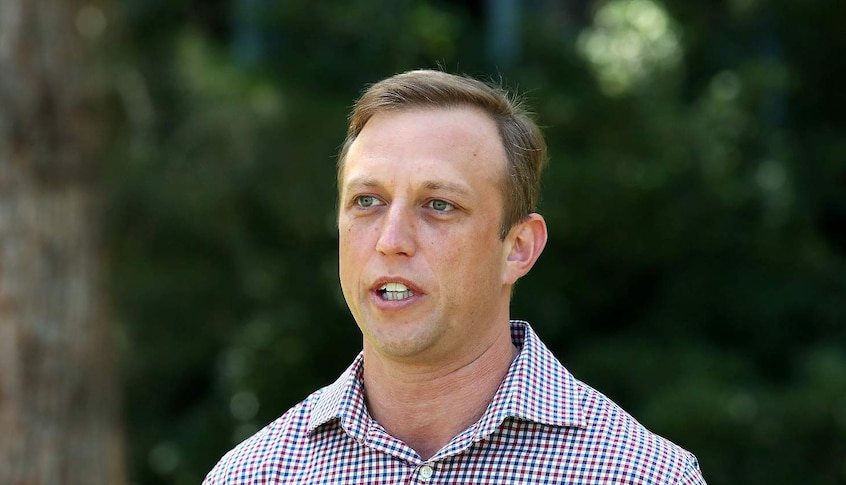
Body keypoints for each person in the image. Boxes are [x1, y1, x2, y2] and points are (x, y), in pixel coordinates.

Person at [204, 69, 705, 484]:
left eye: (439, 205)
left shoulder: (641, 474)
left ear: (518, 248)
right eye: (367, 201)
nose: (391, 238)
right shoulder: (253, 474)